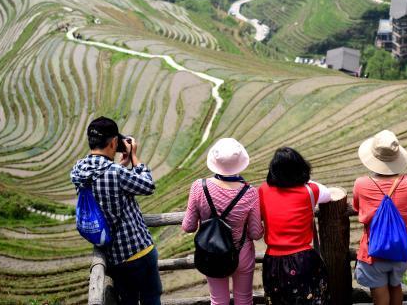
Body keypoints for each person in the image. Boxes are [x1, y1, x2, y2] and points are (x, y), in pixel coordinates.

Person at [70, 116, 162, 305]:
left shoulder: (79, 170)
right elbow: (148, 186)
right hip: (138, 252)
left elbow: (101, 180)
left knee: (127, 301)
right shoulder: (116, 173)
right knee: (151, 299)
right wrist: (134, 157)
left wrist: (121, 165)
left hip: (114, 258)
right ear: (113, 142)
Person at [182, 138, 263, 305]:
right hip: (241, 252)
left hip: (212, 253)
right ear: (241, 163)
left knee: (218, 301)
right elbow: (255, 233)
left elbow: (188, 226)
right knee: (244, 300)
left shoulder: (199, 187)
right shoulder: (250, 193)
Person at [353, 130, 407, 305]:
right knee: (396, 285)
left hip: (373, 251)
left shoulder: (361, 184)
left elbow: (357, 208)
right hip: (401, 250)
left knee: (379, 290)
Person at [259, 147, 332, 304]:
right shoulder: (310, 190)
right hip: (303, 260)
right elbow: (328, 194)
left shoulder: (263, 190)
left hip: (273, 262)